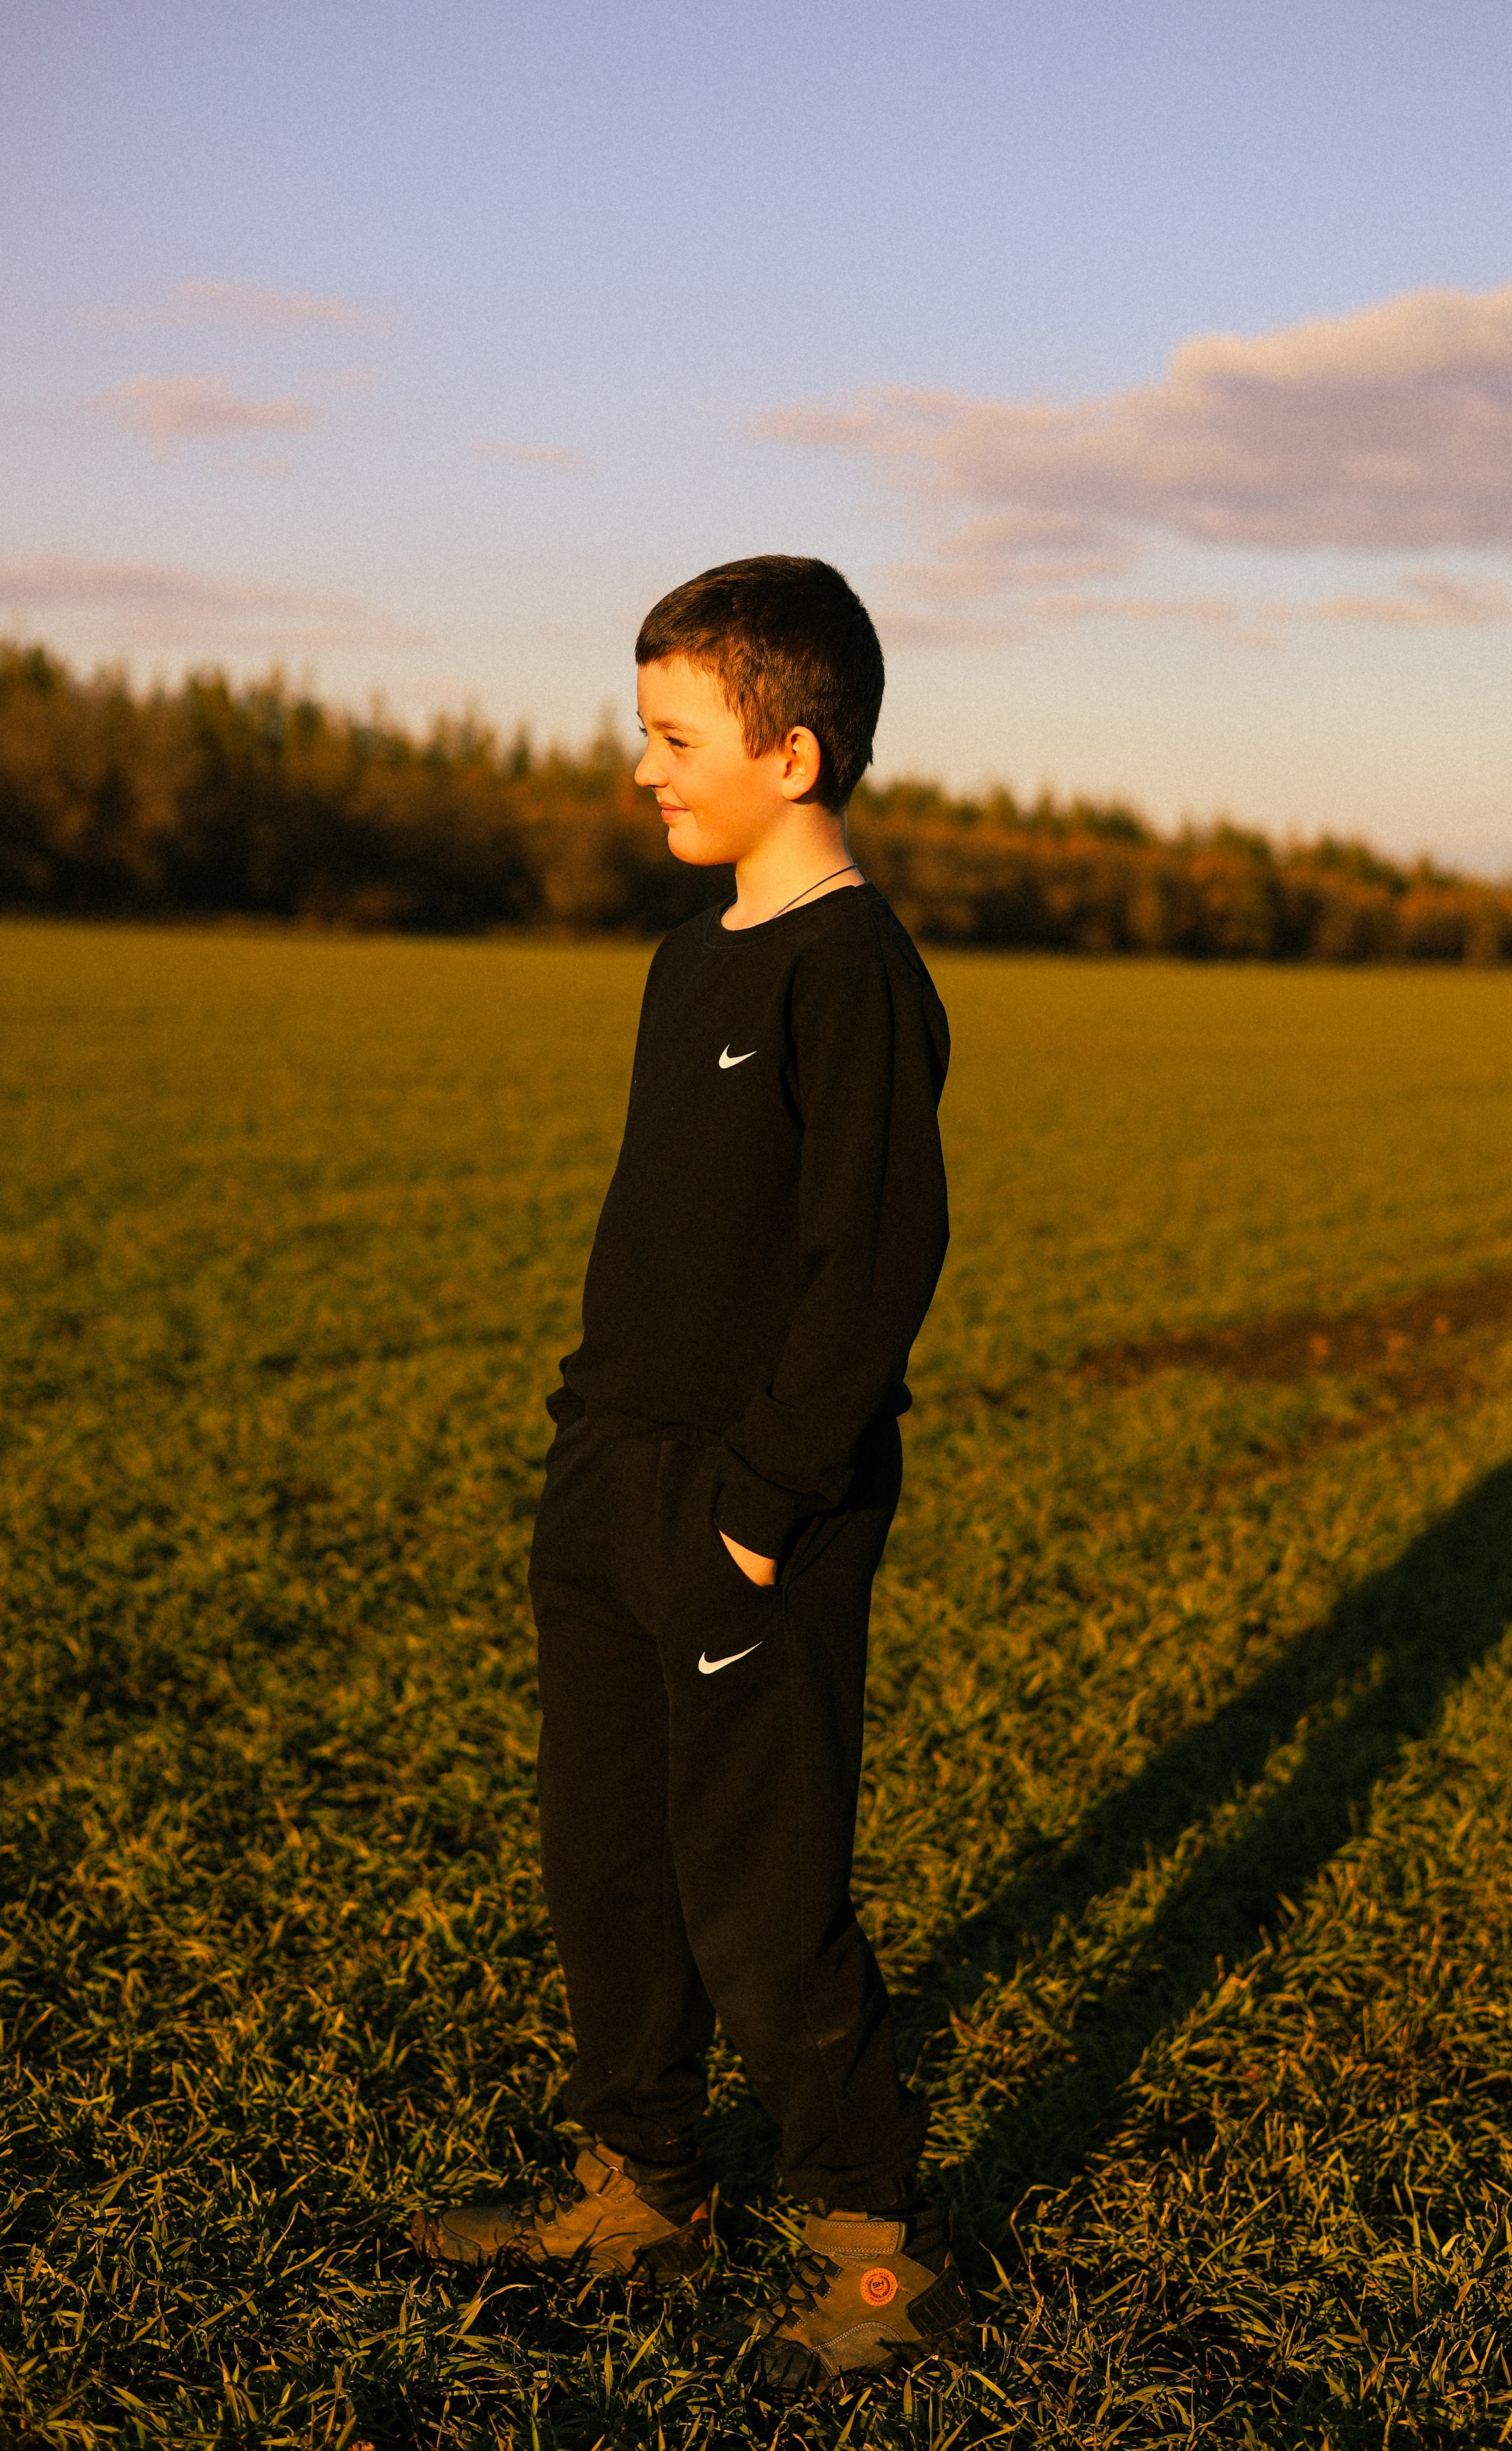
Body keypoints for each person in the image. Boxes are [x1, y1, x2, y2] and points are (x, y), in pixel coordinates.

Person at [412, 556, 968, 2395]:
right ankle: (640, 2179)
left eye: (674, 735)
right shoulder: (688, 958)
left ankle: (873, 2251)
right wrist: (596, 1461)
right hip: (613, 1483)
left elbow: (872, 1263)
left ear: (791, 750)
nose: (642, 767)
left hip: (755, 1506)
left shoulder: (855, 975)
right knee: (612, 1857)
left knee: (760, 1880)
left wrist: (758, 1499)